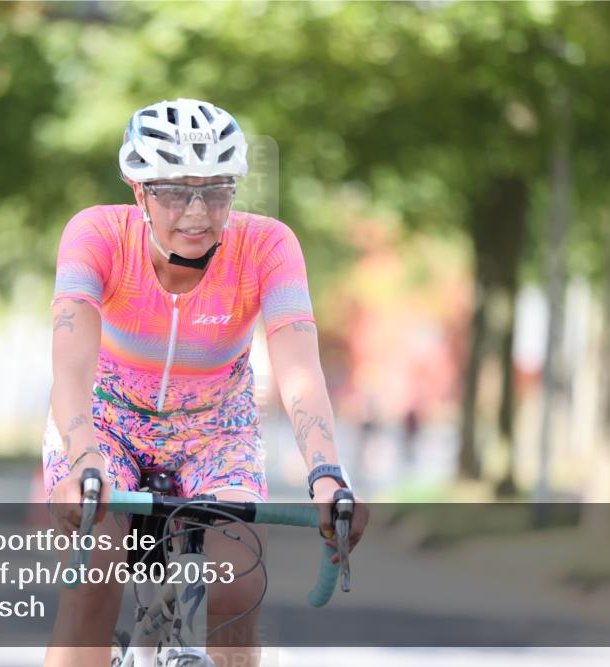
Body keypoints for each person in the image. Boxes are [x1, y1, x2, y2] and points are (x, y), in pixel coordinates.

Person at [43, 98, 369, 666]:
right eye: (173, 190)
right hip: (104, 426)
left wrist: (326, 475)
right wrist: (81, 463)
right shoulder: (95, 235)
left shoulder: (268, 246)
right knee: (94, 579)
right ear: (137, 189)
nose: (196, 211)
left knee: (237, 587)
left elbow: (298, 368)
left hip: (216, 432)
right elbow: (70, 365)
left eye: (216, 190)